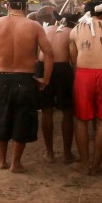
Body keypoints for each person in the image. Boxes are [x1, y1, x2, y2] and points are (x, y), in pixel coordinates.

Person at [0, 0, 52, 173]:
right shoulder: (34, 26)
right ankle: (16, 163)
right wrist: (46, 78)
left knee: (2, 117)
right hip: (25, 79)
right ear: (26, 6)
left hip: (3, 78)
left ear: (7, 5)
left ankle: (1, 160)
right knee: (22, 119)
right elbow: (49, 53)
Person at [68, 0, 102, 175]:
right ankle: (96, 167)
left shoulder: (75, 30)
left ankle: (84, 163)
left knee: (81, 120)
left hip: (84, 74)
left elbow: (73, 59)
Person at [38, 11, 78, 164]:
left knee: (46, 110)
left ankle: (50, 153)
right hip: (62, 68)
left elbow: (38, 54)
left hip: (42, 66)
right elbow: (73, 61)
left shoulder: (46, 30)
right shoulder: (71, 32)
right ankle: (67, 154)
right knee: (67, 112)